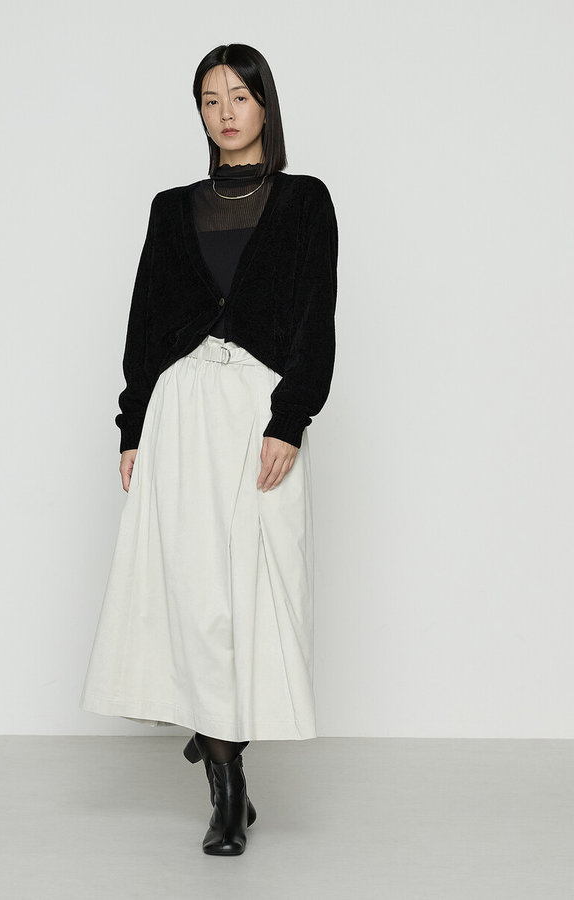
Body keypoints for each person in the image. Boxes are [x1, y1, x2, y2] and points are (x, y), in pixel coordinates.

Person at [80, 43, 338, 856]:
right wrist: (132, 426)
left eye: (239, 96)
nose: (226, 112)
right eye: (210, 99)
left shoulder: (305, 201)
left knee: (258, 595)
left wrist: (290, 419)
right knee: (198, 597)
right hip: (182, 408)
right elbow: (144, 322)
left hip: (258, 409)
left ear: (265, 104)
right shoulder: (170, 209)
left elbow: (316, 317)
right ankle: (228, 795)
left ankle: (215, 729)